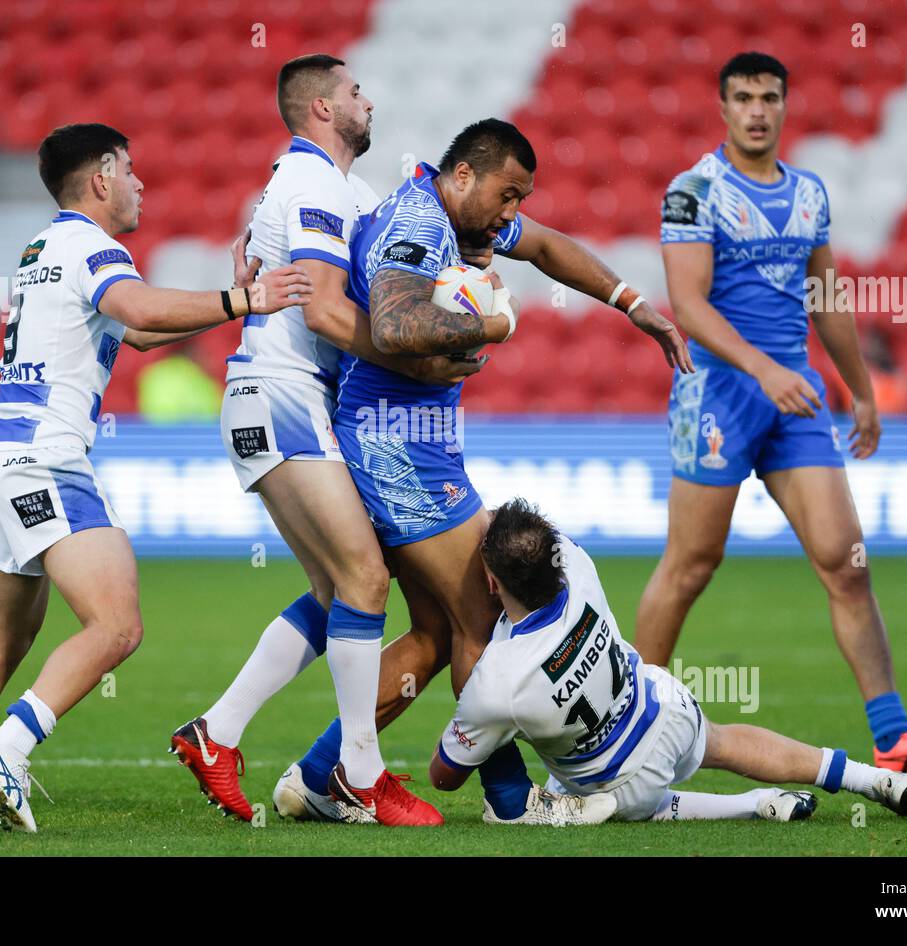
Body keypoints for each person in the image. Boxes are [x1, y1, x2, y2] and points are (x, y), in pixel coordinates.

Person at [276, 118, 692, 825]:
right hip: (396, 445)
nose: (512, 213)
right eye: (507, 194)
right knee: (481, 614)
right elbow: (396, 327)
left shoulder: (466, 224)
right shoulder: (416, 224)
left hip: (420, 441)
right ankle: (506, 799)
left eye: (520, 198)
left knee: (439, 635)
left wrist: (633, 305)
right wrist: (492, 324)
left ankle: (320, 776)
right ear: (461, 176)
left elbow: (551, 248)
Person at [0, 123, 311, 831]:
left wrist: (227, 294)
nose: (141, 183)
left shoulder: (44, 247)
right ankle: (11, 744)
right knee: (117, 624)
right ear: (101, 177)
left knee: (2, 642)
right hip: (45, 460)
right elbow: (141, 309)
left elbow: (143, 331)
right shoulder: (94, 247)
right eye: (130, 170)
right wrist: (245, 300)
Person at [634, 52, 907, 778]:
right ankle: (622, 724)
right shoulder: (694, 192)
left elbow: (827, 298)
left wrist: (862, 388)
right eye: (745, 97)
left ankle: (895, 739)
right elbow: (687, 304)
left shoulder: (809, 193)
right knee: (692, 566)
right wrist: (766, 369)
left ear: (786, 106)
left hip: (795, 407)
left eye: (770, 97)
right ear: (722, 108)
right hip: (720, 396)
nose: (758, 109)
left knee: (847, 565)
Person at [170, 55, 474, 826]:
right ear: (319, 111)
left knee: (337, 588)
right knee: (367, 580)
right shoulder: (309, 182)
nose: (368, 100)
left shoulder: (348, 191)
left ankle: (219, 732)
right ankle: (360, 776)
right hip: (284, 393)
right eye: (354, 93)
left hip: (282, 398)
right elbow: (328, 315)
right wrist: (425, 353)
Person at [429, 500, 907, 824]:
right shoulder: (575, 565)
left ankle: (749, 805)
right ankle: (874, 780)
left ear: (493, 584)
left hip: (616, 783)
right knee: (725, 741)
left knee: (641, 799)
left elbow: (444, 777)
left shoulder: (497, 681)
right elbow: (526, 532)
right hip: (665, 709)